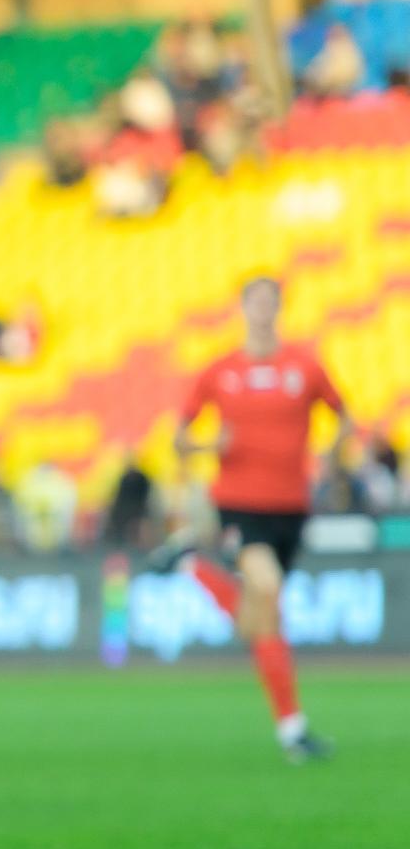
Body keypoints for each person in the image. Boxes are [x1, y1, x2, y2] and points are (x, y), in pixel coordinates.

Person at [155, 276, 349, 764]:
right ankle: (293, 731)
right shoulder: (220, 371)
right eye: (255, 302)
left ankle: (192, 567)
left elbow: (344, 417)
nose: (263, 310)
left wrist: (332, 455)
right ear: (242, 308)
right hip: (240, 505)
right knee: (268, 592)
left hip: (291, 508)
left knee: (258, 621)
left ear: (280, 308)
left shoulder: (304, 366)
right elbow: (179, 438)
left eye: (270, 302)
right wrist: (208, 445)